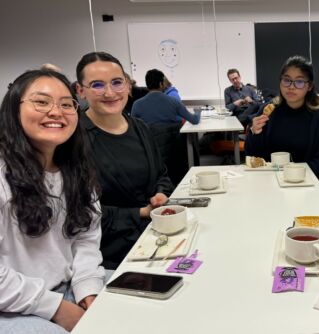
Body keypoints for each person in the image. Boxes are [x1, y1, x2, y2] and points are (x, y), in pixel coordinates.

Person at [0, 69, 105, 333]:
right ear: (14, 109)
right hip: (10, 305)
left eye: (67, 104)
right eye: (42, 102)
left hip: (65, 286)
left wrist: (88, 287)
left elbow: (85, 237)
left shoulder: (75, 170)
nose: (56, 112)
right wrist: (55, 308)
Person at [76, 52, 174, 269]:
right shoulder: (74, 139)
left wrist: (160, 193)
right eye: (97, 85)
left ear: (128, 86)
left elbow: (161, 174)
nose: (110, 92)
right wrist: (139, 213)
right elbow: (78, 211)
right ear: (80, 91)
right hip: (108, 256)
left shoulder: (140, 128)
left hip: (155, 240)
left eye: (117, 82)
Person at [245, 55, 319, 178]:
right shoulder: (268, 110)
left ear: (309, 86)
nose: (291, 87)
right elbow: (252, 155)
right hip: (269, 180)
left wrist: (293, 176)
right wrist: (254, 132)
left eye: (299, 82)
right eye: (286, 80)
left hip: (304, 182)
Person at [131, 69, 200, 125]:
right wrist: (198, 111)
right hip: (173, 141)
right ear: (161, 84)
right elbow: (194, 120)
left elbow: (133, 128)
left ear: (147, 84)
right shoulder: (174, 101)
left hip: (149, 141)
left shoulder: (137, 105)